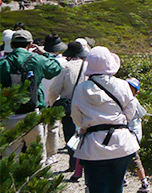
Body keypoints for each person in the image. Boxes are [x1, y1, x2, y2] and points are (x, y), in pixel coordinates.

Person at [71, 47, 139, 193]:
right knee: (116, 190)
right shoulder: (123, 85)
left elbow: (76, 117)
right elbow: (131, 111)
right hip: (121, 143)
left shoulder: (81, 88)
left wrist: (87, 125)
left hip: (94, 146)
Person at [0, 30, 62, 164]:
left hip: (9, 116)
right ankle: (35, 181)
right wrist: (45, 53)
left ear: (11, 44)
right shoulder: (37, 60)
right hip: (32, 114)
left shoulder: (3, 64)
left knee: (10, 159)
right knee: (36, 156)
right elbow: (56, 68)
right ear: (30, 44)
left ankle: (13, 184)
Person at [48, 41, 87, 172]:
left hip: (69, 106)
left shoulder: (65, 68)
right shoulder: (89, 66)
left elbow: (54, 90)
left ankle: (73, 165)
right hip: (87, 107)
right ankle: (85, 165)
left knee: (70, 136)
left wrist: (51, 104)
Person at [42, 34, 68, 166]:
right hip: (55, 99)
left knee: (40, 128)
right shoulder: (63, 63)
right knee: (53, 128)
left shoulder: (38, 59)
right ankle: (51, 155)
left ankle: (39, 153)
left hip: (40, 98)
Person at [125, 77, 150, 193]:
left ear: (136, 92)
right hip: (132, 134)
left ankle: (144, 182)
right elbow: (142, 114)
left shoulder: (132, 101)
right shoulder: (133, 100)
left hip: (131, 135)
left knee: (134, 159)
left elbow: (141, 113)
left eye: (131, 88)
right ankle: (123, 179)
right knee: (123, 158)